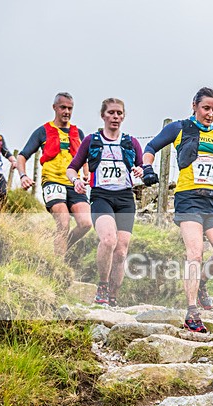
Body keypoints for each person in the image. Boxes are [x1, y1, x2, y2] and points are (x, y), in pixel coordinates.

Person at [142, 87, 213, 333]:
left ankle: (202, 282)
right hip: (189, 198)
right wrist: (147, 168)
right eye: (206, 108)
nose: (210, 114)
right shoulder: (179, 128)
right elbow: (150, 147)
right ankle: (191, 311)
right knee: (195, 254)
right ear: (194, 105)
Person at [67, 98, 144, 306]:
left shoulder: (131, 142)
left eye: (119, 113)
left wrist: (140, 170)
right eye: (111, 113)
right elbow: (72, 168)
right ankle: (102, 286)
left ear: (124, 116)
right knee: (109, 240)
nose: (115, 117)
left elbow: (143, 167)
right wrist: (76, 181)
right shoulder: (91, 140)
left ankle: (113, 296)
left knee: (121, 251)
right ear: (103, 115)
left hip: (125, 198)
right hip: (101, 196)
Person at [17, 92, 92, 256]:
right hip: (52, 182)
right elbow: (22, 156)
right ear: (54, 108)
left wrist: (87, 174)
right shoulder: (42, 131)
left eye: (70, 108)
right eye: (63, 107)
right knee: (63, 222)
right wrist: (23, 176)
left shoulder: (78, 133)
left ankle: (64, 247)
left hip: (74, 183)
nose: (67, 112)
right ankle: (58, 263)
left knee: (86, 223)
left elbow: (85, 158)